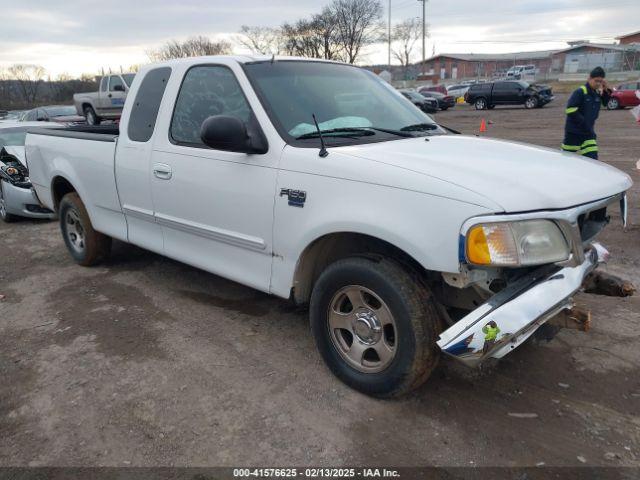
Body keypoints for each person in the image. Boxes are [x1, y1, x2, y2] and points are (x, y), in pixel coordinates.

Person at [562, 66, 612, 160]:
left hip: (588, 134)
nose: (598, 83)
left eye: (600, 81)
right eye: (596, 80)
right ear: (589, 78)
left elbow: (605, 103)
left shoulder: (596, 93)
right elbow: (570, 109)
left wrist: (606, 89)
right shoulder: (580, 92)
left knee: (593, 161)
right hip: (574, 133)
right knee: (565, 160)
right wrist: (584, 123)